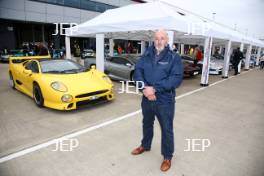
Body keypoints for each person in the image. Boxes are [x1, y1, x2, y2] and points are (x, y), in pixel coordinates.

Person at [131, 29, 183, 172]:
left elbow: (176, 79)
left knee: (166, 128)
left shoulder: (174, 58)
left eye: (162, 38)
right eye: (156, 38)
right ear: (153, 40)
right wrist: (145, 90)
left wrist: (154, 89)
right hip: (147, 98)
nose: (159, 41)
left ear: (167, 41)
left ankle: (167, 156)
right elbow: (137, 72)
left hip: (165, 100)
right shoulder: (146, 55)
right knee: (146, 123)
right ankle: (145, 145)